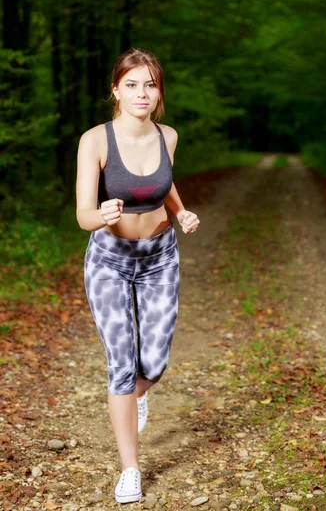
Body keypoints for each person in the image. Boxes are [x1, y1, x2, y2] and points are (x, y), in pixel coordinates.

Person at [75, 48, 200, 504]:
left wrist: (181, 212)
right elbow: (83, 215)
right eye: (132, 84)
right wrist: (101, 214)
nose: (142, 93)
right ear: (116, 90)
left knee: (155, 360)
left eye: (150, 84)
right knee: (122, 364)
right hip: (108, 260)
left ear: (159, 91)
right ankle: (131, 469)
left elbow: (164, 184)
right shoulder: (96, 141)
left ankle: (138, 393)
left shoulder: (168, 136)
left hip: (160, 256)